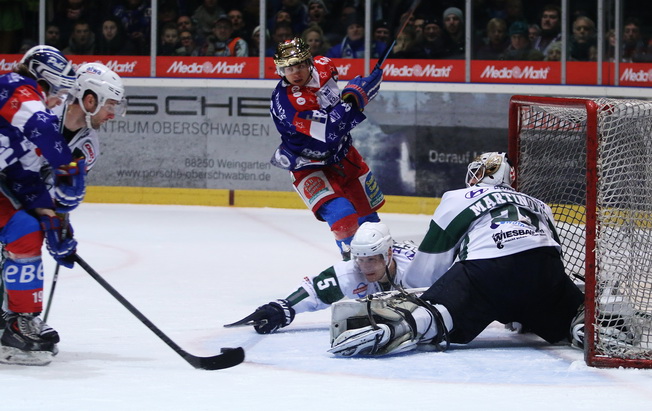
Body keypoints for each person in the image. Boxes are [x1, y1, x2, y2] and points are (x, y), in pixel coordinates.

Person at [329, 152, 585, 357]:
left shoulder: (459, 197)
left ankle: (399, 327)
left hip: (487, 271)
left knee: (438, 314)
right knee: (569, 315)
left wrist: (418, 294)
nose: (473, 177)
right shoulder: (539, 204)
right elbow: (555, 251)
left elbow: (434, 258)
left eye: (478, 172)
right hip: (544, 270)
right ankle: (582, 328)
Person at [269, 37, 385, 259]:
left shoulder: (325, 65)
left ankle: (382, 267)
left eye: (300, 65)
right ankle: (353, 265)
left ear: (310, 61)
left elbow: (335, 100)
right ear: (280, 70)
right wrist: (356, 99)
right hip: (308, 165)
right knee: (343, 218)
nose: (295, 72)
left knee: (370, 222)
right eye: (288, 68)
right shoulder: (288, 102)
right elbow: (328, 130)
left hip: (345, 156)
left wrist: (360, 89)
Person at [0, 46, 79, 365]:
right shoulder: (14, 88)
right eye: (60, 91)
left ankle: (18, 323)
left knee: (26, 229)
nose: (61, 101)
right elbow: (44, 127)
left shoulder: (24, 125)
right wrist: (67, 167)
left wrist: (50, 215)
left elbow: (22, 179)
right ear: (44, 80)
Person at [224, 222, 418, 334]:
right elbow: (315, 291)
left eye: (372, 260)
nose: (365, 267)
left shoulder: (416, 269)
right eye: (360, 259)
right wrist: (282, 309)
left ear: (388, 254)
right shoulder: (352, 271)